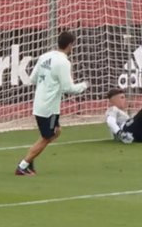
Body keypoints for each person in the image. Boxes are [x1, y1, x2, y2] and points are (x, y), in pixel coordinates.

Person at [16, 30, 89, 175]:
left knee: (56, 131)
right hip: (48, 108)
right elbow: (69, 88)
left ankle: (30, 160)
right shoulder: (63, 62)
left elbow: (33, 79)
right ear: (70, 45)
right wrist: (85, 85)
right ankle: (23, 165)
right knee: (47, 137)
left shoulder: (45, 56)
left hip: (42, 104)